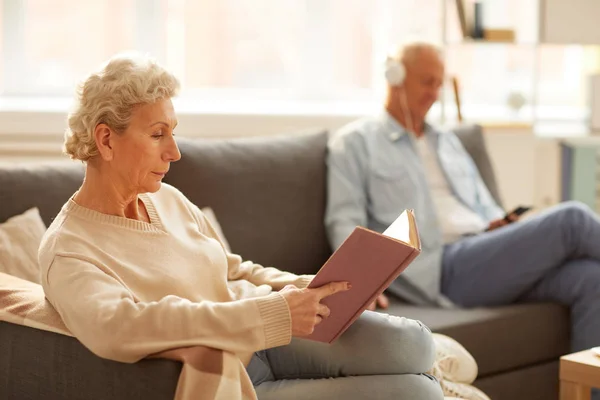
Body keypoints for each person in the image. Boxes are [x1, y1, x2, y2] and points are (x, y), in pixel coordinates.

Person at [38, 53, 443, 400]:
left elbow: (230, 268)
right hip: (238, 376)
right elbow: (121, 328)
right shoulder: (68, 248)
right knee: (418, 391)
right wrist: (269, 314)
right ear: (106, 140)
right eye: (158, 134)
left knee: (415, 344)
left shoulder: (166, 199)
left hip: (268, 332)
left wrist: (298, 286)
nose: (174, 152)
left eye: (172, 133)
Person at [326, 40, 600, 387]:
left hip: (486, 253)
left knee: (590, 278)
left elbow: (485, 205)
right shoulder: (355, 143)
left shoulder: (448, 141)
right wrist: (361, 281)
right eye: (427, 81)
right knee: (571, 220)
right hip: (444, 268)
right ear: (395, 78)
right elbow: (343, 220)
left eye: (440, 83)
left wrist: (499, 224)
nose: (435, 92)